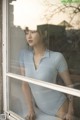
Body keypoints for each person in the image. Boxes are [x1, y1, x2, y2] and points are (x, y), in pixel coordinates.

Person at [19, 26, 74, 120]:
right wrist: (31, 109)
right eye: (27, 33)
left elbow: (70, 86)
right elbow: (25, 84)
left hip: (60, 108)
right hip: (41, 109)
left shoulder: (57, 57)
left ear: (43, 34)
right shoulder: (24, 55)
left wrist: (71, 110)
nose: (29, 36)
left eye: (33, 32)